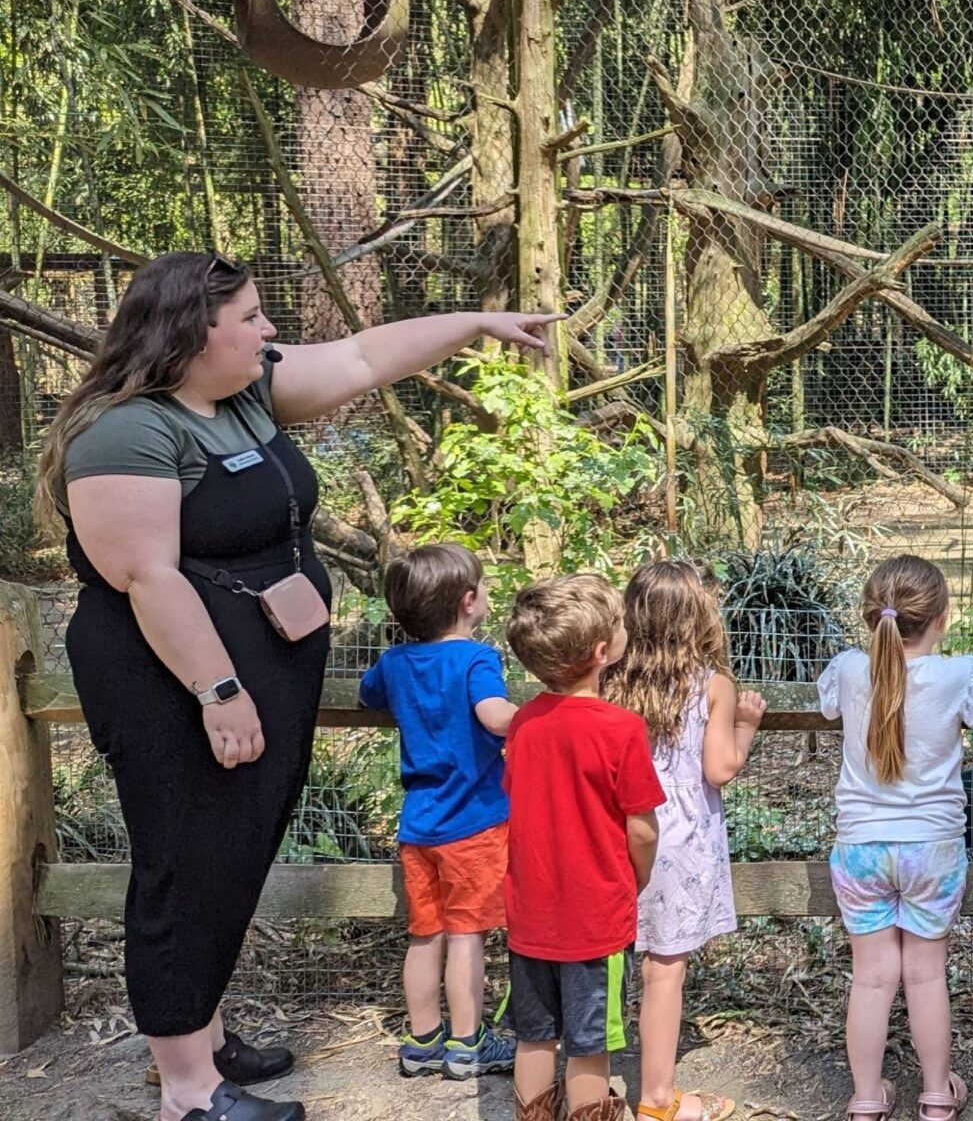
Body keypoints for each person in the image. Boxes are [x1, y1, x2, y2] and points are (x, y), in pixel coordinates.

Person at [33, 251, 557, 1121]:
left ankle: (202, 1030)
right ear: (193, 335)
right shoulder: (127, 432)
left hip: (257, 673)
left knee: (230, 859)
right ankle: (190, 1091)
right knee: (183, 867)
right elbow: (148, 579)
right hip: (175, 690)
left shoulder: (239, 393)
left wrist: (474, 326)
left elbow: (359, 358)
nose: (269, 330)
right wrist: (218, 691)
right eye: (250, 318)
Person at [821, 557, 973, 1121]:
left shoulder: (847, 668)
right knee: (925, 973)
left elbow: (828, 701)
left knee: (871, 979)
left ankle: (867, 1098)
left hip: (861, 848)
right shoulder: (958, 672)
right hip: (931, 849)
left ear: (872, 618)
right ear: (941, 618)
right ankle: (937, 1093)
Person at [601, 561, 768, 1121]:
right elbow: (719, 769)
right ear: (698, 615)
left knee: (602, 958)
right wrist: (745, 725)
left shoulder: (607, 678)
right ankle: (655, 1099)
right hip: (676, 836)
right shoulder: (711, 683)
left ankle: (590, 1088)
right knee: (663, 967)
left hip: (613, 824)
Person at [503, 575, 667, 1121]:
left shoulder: (524, 723)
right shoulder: (620, 729)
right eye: (619, 625)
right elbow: (641, 828)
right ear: (603, 653)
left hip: (530, 914)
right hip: (594, 919)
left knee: (535, 1036)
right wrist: (636, 876)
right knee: (590, 1044)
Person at [358, 543, 517, 1081]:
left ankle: (421, 1041)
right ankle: (468, 1044)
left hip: (419, 823)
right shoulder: (476, 659)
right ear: (469, 601)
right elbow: (494, 715)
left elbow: (367, 694)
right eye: (486, 588)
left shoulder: (394, 663)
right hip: (473, 823)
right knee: (468, 935)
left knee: (425, 934)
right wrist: (543, 717)